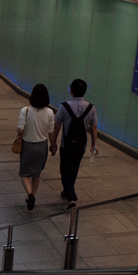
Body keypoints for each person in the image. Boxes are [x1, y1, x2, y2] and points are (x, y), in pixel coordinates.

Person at [50, 78, 99, 209]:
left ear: (71, 91)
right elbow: (93, 128)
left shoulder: (64, 106)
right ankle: (67, 191)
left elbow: (56, 126)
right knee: (74, 168)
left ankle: (71, 198)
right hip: (81, 145)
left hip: (67, 145)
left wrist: (53, 143)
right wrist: (94, 145)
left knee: (64, 169)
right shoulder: (91, 108)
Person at [16, 84, 56, 211]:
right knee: (36, 173)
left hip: (28, 145)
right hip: (42, 146)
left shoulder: (25, 110)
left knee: (25, 172)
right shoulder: (50, 112)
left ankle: (29, 195)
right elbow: (51, 132)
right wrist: (53, 146)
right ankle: (33, 194)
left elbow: (20, 130)